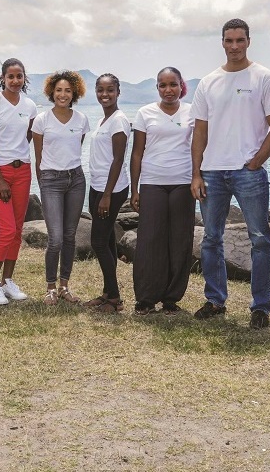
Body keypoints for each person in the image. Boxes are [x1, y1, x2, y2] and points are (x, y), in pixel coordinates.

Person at [190, 19, 270, 328]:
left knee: (260, 239)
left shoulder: (264, 78)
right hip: (212, 173)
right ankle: (215, 300)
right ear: (222, 42)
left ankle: (261, 307)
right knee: (211, 239)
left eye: (240, 40)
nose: (234, 45)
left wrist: (257, 160)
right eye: (229, 40)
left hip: (249, 174)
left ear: (249, 41)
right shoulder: (208, 82)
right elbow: (200, 132)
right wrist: (196, 174)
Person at [129, 67, 195, 315]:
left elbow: (198, 146)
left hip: (183, 182)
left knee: (180, 241)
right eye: (163, 85)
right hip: (152, 182)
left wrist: (198, 177)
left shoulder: (192, 111)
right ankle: (145, 299)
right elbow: (137, 153)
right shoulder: (145, 113)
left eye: (173, 84)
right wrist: (135, 189)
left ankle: (171, 299)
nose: (168, 90)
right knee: (149, 241)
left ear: (181, 86)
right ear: (157, 88)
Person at [0, 58, 38, 305]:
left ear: (24, 78)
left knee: (17, 231)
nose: (15, 81)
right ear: (2, 78)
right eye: (11, 76)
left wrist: (18, 162)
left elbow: (27, 138)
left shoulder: (30, 106)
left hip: (23, 171)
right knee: (7, 229)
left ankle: (7, 282)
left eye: (20, 76)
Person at [32, 70, 89, 305]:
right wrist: (44, 181)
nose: (62, 95)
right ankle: (50, 288)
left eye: (67, 90)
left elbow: (77, 147)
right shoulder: (41, 120)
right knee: (55, 238)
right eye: (58, 90)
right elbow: (38, 157)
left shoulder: (82, 120)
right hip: (50, 181)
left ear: (74, 92)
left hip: (76, 179)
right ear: (51, 92)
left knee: (69, 236)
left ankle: (65, 285)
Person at [84, 73, 131, 313]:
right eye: (101, 90)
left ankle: (114, 299)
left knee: (98, 242)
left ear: (118, 92)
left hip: (109, 190)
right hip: (98, 186)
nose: (105, 94)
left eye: (110, 90)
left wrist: (107, 195)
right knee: (109, 241)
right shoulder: (105, 120)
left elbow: (118, 160)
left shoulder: (119, 121)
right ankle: (108, 293)